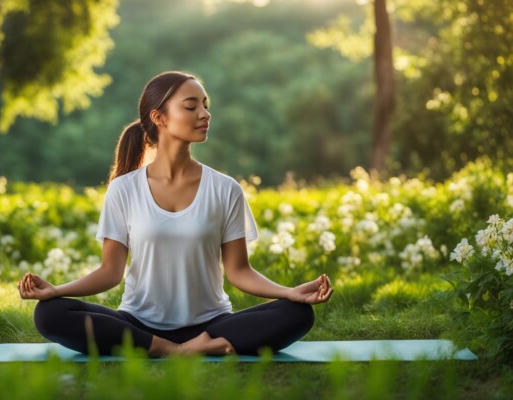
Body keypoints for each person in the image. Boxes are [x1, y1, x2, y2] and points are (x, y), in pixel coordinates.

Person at [17, 71, 333, 358]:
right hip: (138, 325)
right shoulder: (123, 189)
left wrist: (289, 292)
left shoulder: (226, 189)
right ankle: (171, 349)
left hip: (212, 325)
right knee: (49, 313)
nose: (205, 114)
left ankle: (178, 347)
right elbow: (110, 272)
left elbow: (239, 271)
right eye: (191, 106)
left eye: (205, 106)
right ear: (160, 117)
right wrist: (57, 291)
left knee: (297, 314)